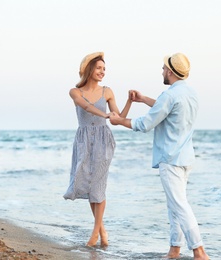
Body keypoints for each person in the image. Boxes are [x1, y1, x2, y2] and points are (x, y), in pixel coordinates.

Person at [109, 53, 209, 259]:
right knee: (175, 203)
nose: (162, 71)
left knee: (179, 205)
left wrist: (119, 121)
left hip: (170, 159)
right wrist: (143, 98)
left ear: (170, 72)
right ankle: (174, 249)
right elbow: (167, 109)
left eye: (164, 68)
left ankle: (199, 252)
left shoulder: (170, 95)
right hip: (185, 158)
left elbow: (145, 123)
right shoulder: (191, 93)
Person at [63, 52, 132, 247]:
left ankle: (95, 233)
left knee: (99, 186)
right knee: (87, 182)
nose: (103, 72)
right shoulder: (75, 91)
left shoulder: (107, 91)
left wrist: (129, 102)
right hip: (84, 140)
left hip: (103, 140)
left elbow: (118, 118)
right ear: (89, 69)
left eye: (104, 69)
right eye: (99, 68)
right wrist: (105, 114)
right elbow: (85, 106)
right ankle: (101, 229)